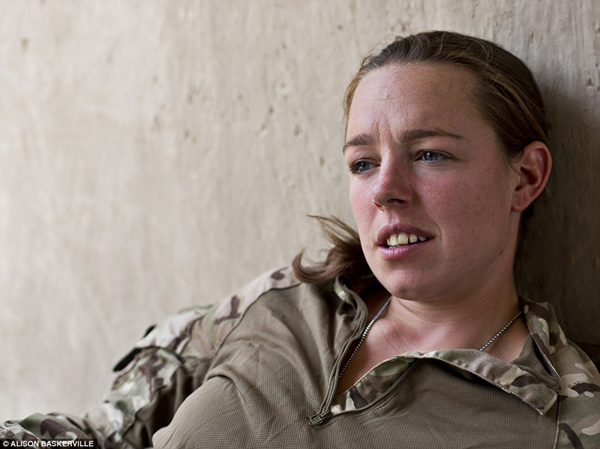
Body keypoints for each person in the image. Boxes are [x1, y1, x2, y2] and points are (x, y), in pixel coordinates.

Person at [1, 30, 599, 448]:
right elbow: (101, 434)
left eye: (429, 154)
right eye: (363, 163)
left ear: (525, 177)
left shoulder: (559, 423)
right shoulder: (288, 301)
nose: (385, 190)